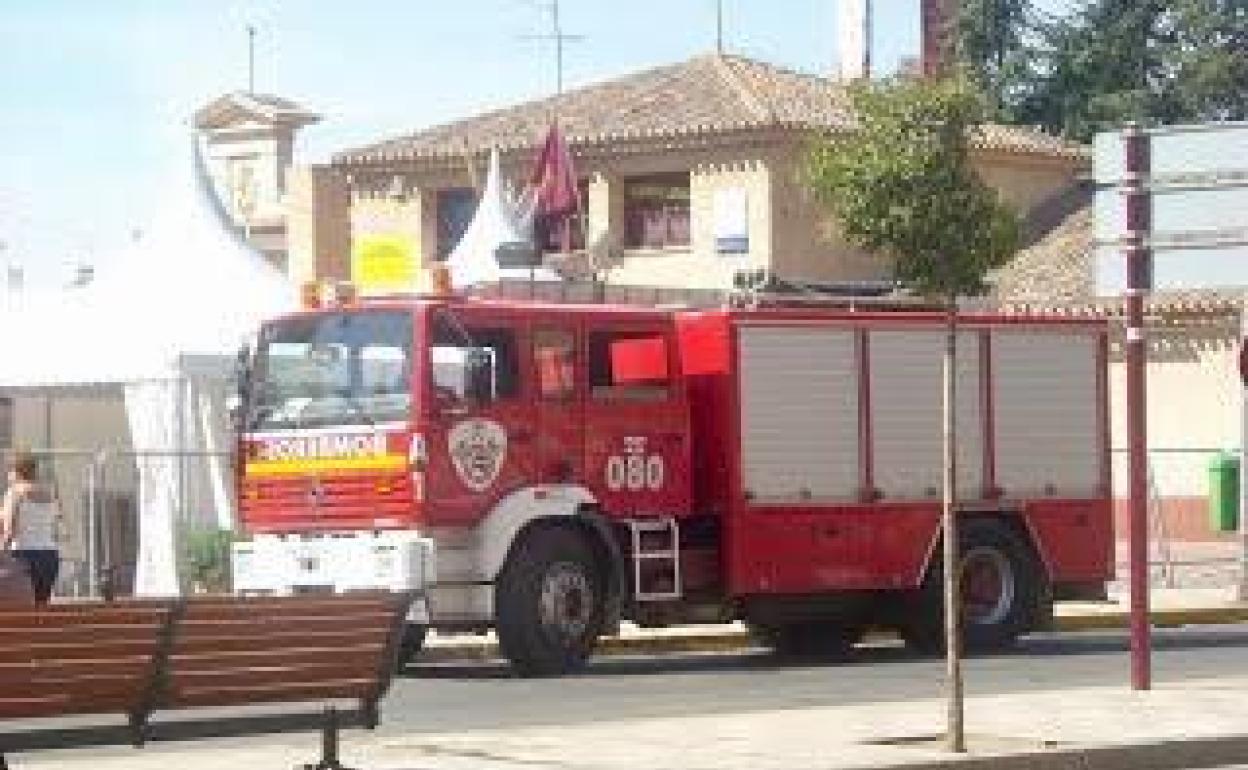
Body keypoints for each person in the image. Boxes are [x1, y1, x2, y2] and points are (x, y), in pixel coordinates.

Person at [0, 451, 61, 604]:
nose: (8, 475)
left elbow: (9, 531)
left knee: (21, 608)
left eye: (9, 471)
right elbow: (56, 522)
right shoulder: (49, 494)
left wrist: (1, 552)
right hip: (49, 556)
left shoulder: (14, 493)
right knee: (40, 608)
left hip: (23, 555)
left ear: (17, 472)